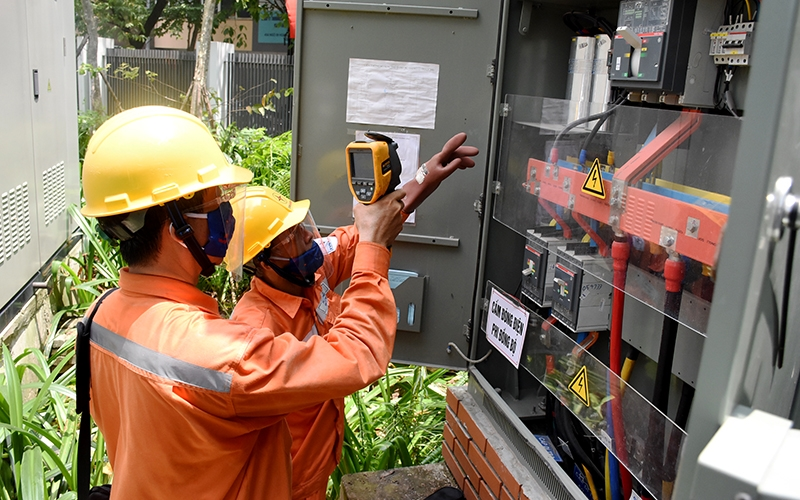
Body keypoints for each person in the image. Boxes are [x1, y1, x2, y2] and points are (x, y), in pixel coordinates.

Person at [79, 105, 409, 499]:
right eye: (213, 203)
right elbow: (359, 354)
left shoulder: (99, 317)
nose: (226, 214)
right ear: (178, 230)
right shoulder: (219, 355)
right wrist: (374, 246)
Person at [230, 134, 479, 500]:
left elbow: (365, 233)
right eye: (290, 236)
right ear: (262, 262)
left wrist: (427, 175)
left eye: (301, 226)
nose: (307, 237)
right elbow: (355, 358)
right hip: (286, 485)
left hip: (316, 468)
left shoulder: (309, 273)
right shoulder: (257, 331)